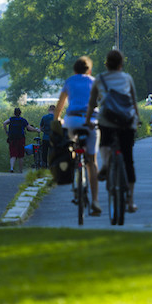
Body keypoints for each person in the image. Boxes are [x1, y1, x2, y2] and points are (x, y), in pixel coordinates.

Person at [85, 49, 140, 213]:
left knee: (105, 143)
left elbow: (92, 104)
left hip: (107, 120)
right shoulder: (127, 78)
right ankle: (130, 201)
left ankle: (108, 162)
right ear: (121, 64)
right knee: (128, 160)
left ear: (106, 64)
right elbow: (134, 102)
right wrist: (136, 119)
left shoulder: (100, 79)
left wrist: (88, 121)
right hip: (126, 121)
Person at [54, 56, 101, 216]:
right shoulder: (94, 81)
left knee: (70, 147)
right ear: (89, 70)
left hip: (72, 120)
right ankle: (95, 201)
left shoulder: (69, 81)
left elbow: (60, 105)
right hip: (91, 121)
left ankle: (74, 161)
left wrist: (56, 120)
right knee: (92, 161)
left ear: (75, 70)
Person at [3, 108, 41, 173]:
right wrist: (36, 130)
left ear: (14, 113)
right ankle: (20, 170)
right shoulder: (23, 120)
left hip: (12, 139)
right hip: (21, 139)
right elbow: (29, 128)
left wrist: (7, 132)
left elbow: (4, 123)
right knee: (21, 155)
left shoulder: (11, 119)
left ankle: (11, 168)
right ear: (20, 113)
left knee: (13, 154)